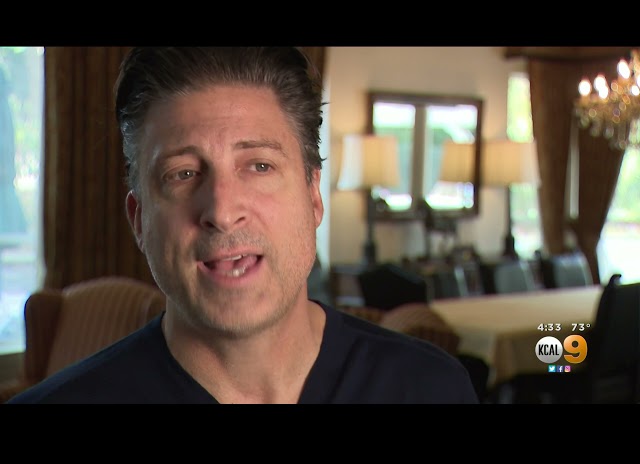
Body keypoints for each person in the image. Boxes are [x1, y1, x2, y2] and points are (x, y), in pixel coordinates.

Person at [6, 47, 478, 404]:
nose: (222, 210)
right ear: (139, 221)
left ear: (313, 197)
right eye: (183, 174)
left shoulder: (430, 388)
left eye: (259, 166)